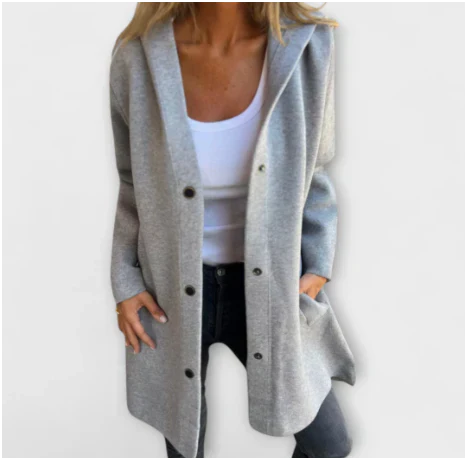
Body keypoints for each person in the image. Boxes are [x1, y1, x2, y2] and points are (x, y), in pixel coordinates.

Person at [108, 2, 356, 458]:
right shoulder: (137, 56)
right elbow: (132, 182)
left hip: (270, 288)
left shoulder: (308, 48)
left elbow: (315, 169)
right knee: (186, 449)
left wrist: (318, 264)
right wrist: (125, 281)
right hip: (170, 294)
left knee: (328, 445)